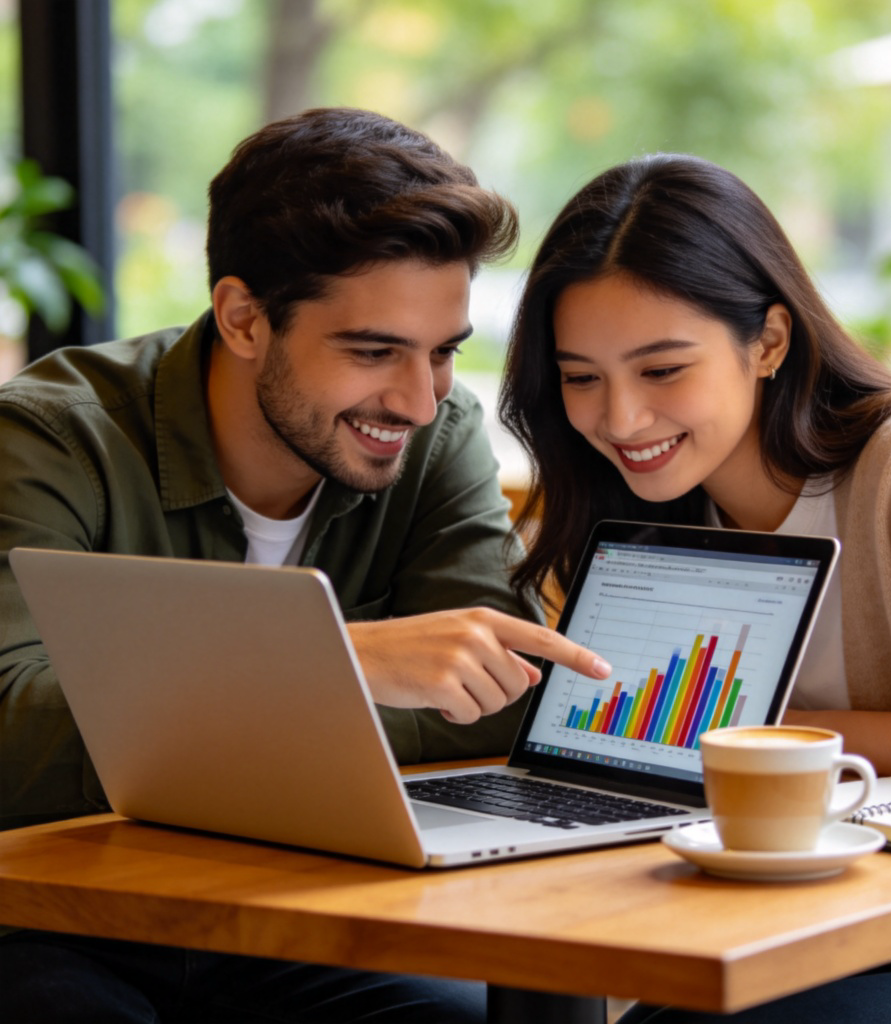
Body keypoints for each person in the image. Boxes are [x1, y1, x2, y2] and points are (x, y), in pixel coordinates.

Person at [0, 107, 610, 1023]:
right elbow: (12, 732)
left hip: (307, 919)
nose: (415, 398)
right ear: (244, 317)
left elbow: (495, 702)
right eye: (372, 352)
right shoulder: (52, 439)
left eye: (442, 353)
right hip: (62, 921)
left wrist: (185, 729)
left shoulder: (435, 439)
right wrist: (349, 666)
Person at [498, 152, 891, 1022]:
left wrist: (769, 743)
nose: (620, 420)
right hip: (771, 923)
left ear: (769, 341)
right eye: (581, 377)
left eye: (663, 370)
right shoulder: (634, 509)